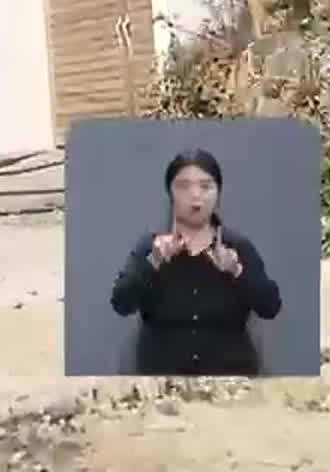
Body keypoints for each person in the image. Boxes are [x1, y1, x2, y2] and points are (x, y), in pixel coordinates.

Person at [110, 149, 281, 375]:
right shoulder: (151, 246)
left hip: (230, 378)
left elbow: (270, 307)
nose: (195, 195)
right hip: (165, 380)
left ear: (218, 193)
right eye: (183, 186)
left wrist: (236, 270)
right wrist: (154, 261)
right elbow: (121, 303)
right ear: (170, 193)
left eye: (205, 186)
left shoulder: (237, 246)